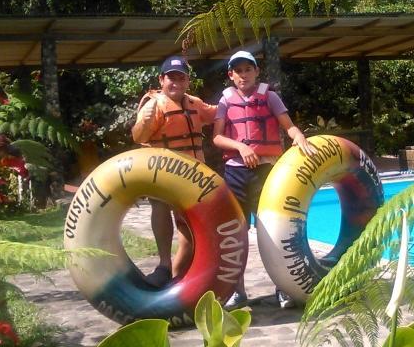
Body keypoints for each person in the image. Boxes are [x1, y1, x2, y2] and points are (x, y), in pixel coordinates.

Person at [213, 49, 317, 309]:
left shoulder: (270, 96)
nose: (244, 74)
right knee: (235, 233)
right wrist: (241, 147)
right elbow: (216, 137)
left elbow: (288, 125)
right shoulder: (225, 101)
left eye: (248, 69)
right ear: (231, 75)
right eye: (238, 70)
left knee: (271, 232)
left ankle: (283, 287)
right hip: (236, 171)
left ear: (256, 71)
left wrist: (299, 137)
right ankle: (237, 291)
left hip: (266, 172)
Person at [131, 55, 217, 287]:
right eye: (171, 78)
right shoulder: (154, 105)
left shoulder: (195, 103)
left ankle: (177, 276)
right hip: (163, 175)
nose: (176, 83)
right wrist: (143, 122)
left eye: (181, 78)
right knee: (160, 207)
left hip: (192, 176)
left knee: (189, 228)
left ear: (188, 81)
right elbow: (139, 136)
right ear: (161, 80)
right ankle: (163, 265)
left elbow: (218, 113)